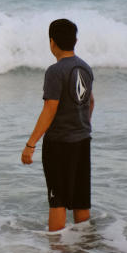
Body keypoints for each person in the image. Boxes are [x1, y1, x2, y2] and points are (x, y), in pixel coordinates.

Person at [21, 18, 95, 232]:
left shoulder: (55, 71)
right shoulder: (85, 67)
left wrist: (31, 144)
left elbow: (49, 109)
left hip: (60, 145)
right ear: (76, 40)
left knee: (58, 201)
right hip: (82, 141)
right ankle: (84, 251)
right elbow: (90, 101)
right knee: (81, 201)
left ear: (52, 42)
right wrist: (82, 125)